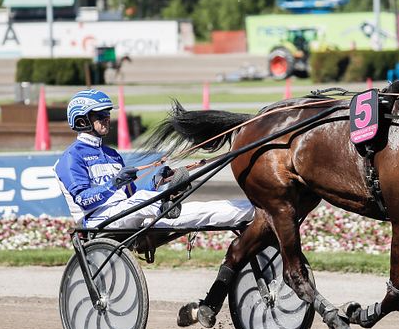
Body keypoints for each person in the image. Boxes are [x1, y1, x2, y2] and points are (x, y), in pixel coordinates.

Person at [54, 89, 254, 230]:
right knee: (148, 201)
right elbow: (83, 200)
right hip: (97, 220)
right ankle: (165, 204)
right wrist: (113, 184)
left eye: (107, 113)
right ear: (81, 119)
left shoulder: (112, 155)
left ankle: (256, 212)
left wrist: (157, 183)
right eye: (100, 114)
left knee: (206, 210)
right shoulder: (71, 158)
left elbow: (132, 198)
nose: (107, 118)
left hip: (130, 214)